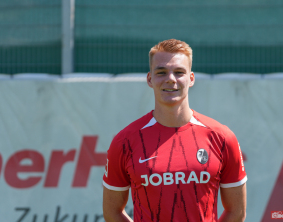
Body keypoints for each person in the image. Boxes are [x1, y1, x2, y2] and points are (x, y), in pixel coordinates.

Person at [103, 39, 247, 222]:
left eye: (179, 72)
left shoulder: (222, 137)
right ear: (150, 79)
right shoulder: (124, 142)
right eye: (161, 72)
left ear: (191, 78)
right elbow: (112, 212)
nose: (170, 79)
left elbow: (237, 212)